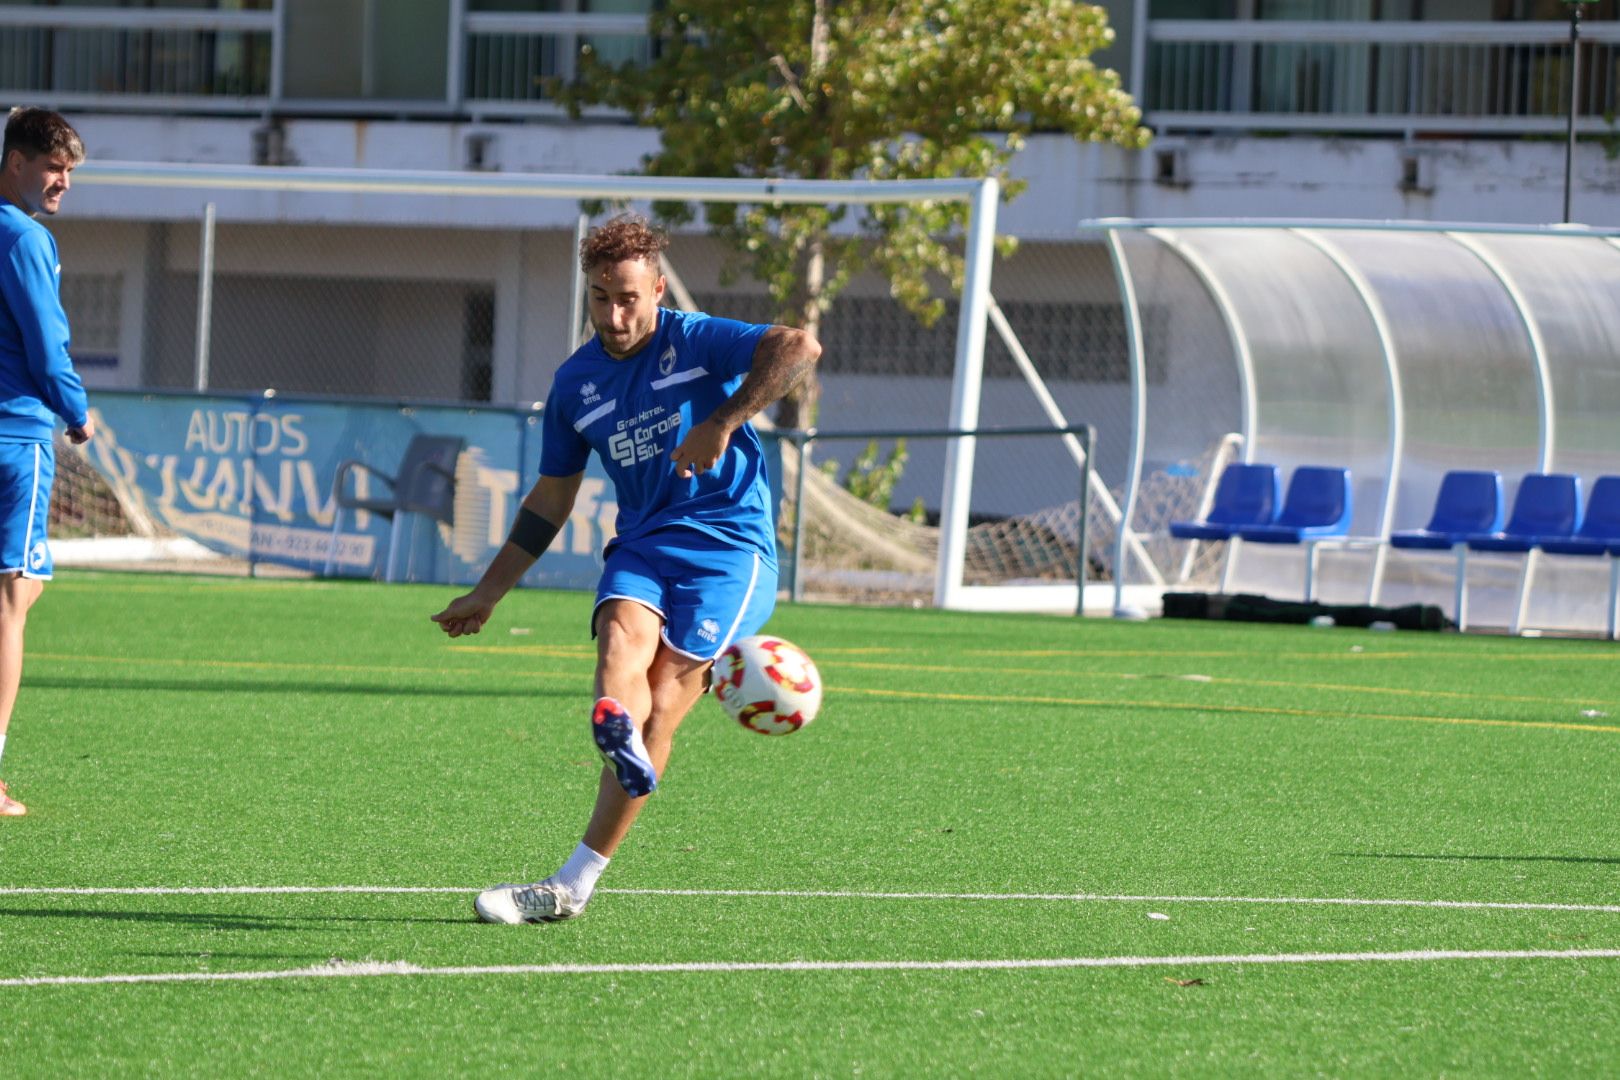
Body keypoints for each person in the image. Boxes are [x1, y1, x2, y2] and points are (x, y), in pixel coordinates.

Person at [432, 215, 820, 924]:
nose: (615, 314)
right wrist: (489, 592)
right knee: (619, 639)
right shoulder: (576, 383)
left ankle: (572, 882)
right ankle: (620, 735)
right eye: (600, 297)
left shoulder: (693, 339)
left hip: (730, 547)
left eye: (629, 298)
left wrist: (724, 420)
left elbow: (799, 345)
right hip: (643, 541)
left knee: (667, 690)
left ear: (658, 289)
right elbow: (552, 496)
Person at [0, 107, 94, 818]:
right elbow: (44, 340)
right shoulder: (26, 236)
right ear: (16, 162)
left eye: (68, 172)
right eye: (52, 168)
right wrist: (77, 410)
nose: (61, 183)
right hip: (15, 436)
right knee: (14, 598)